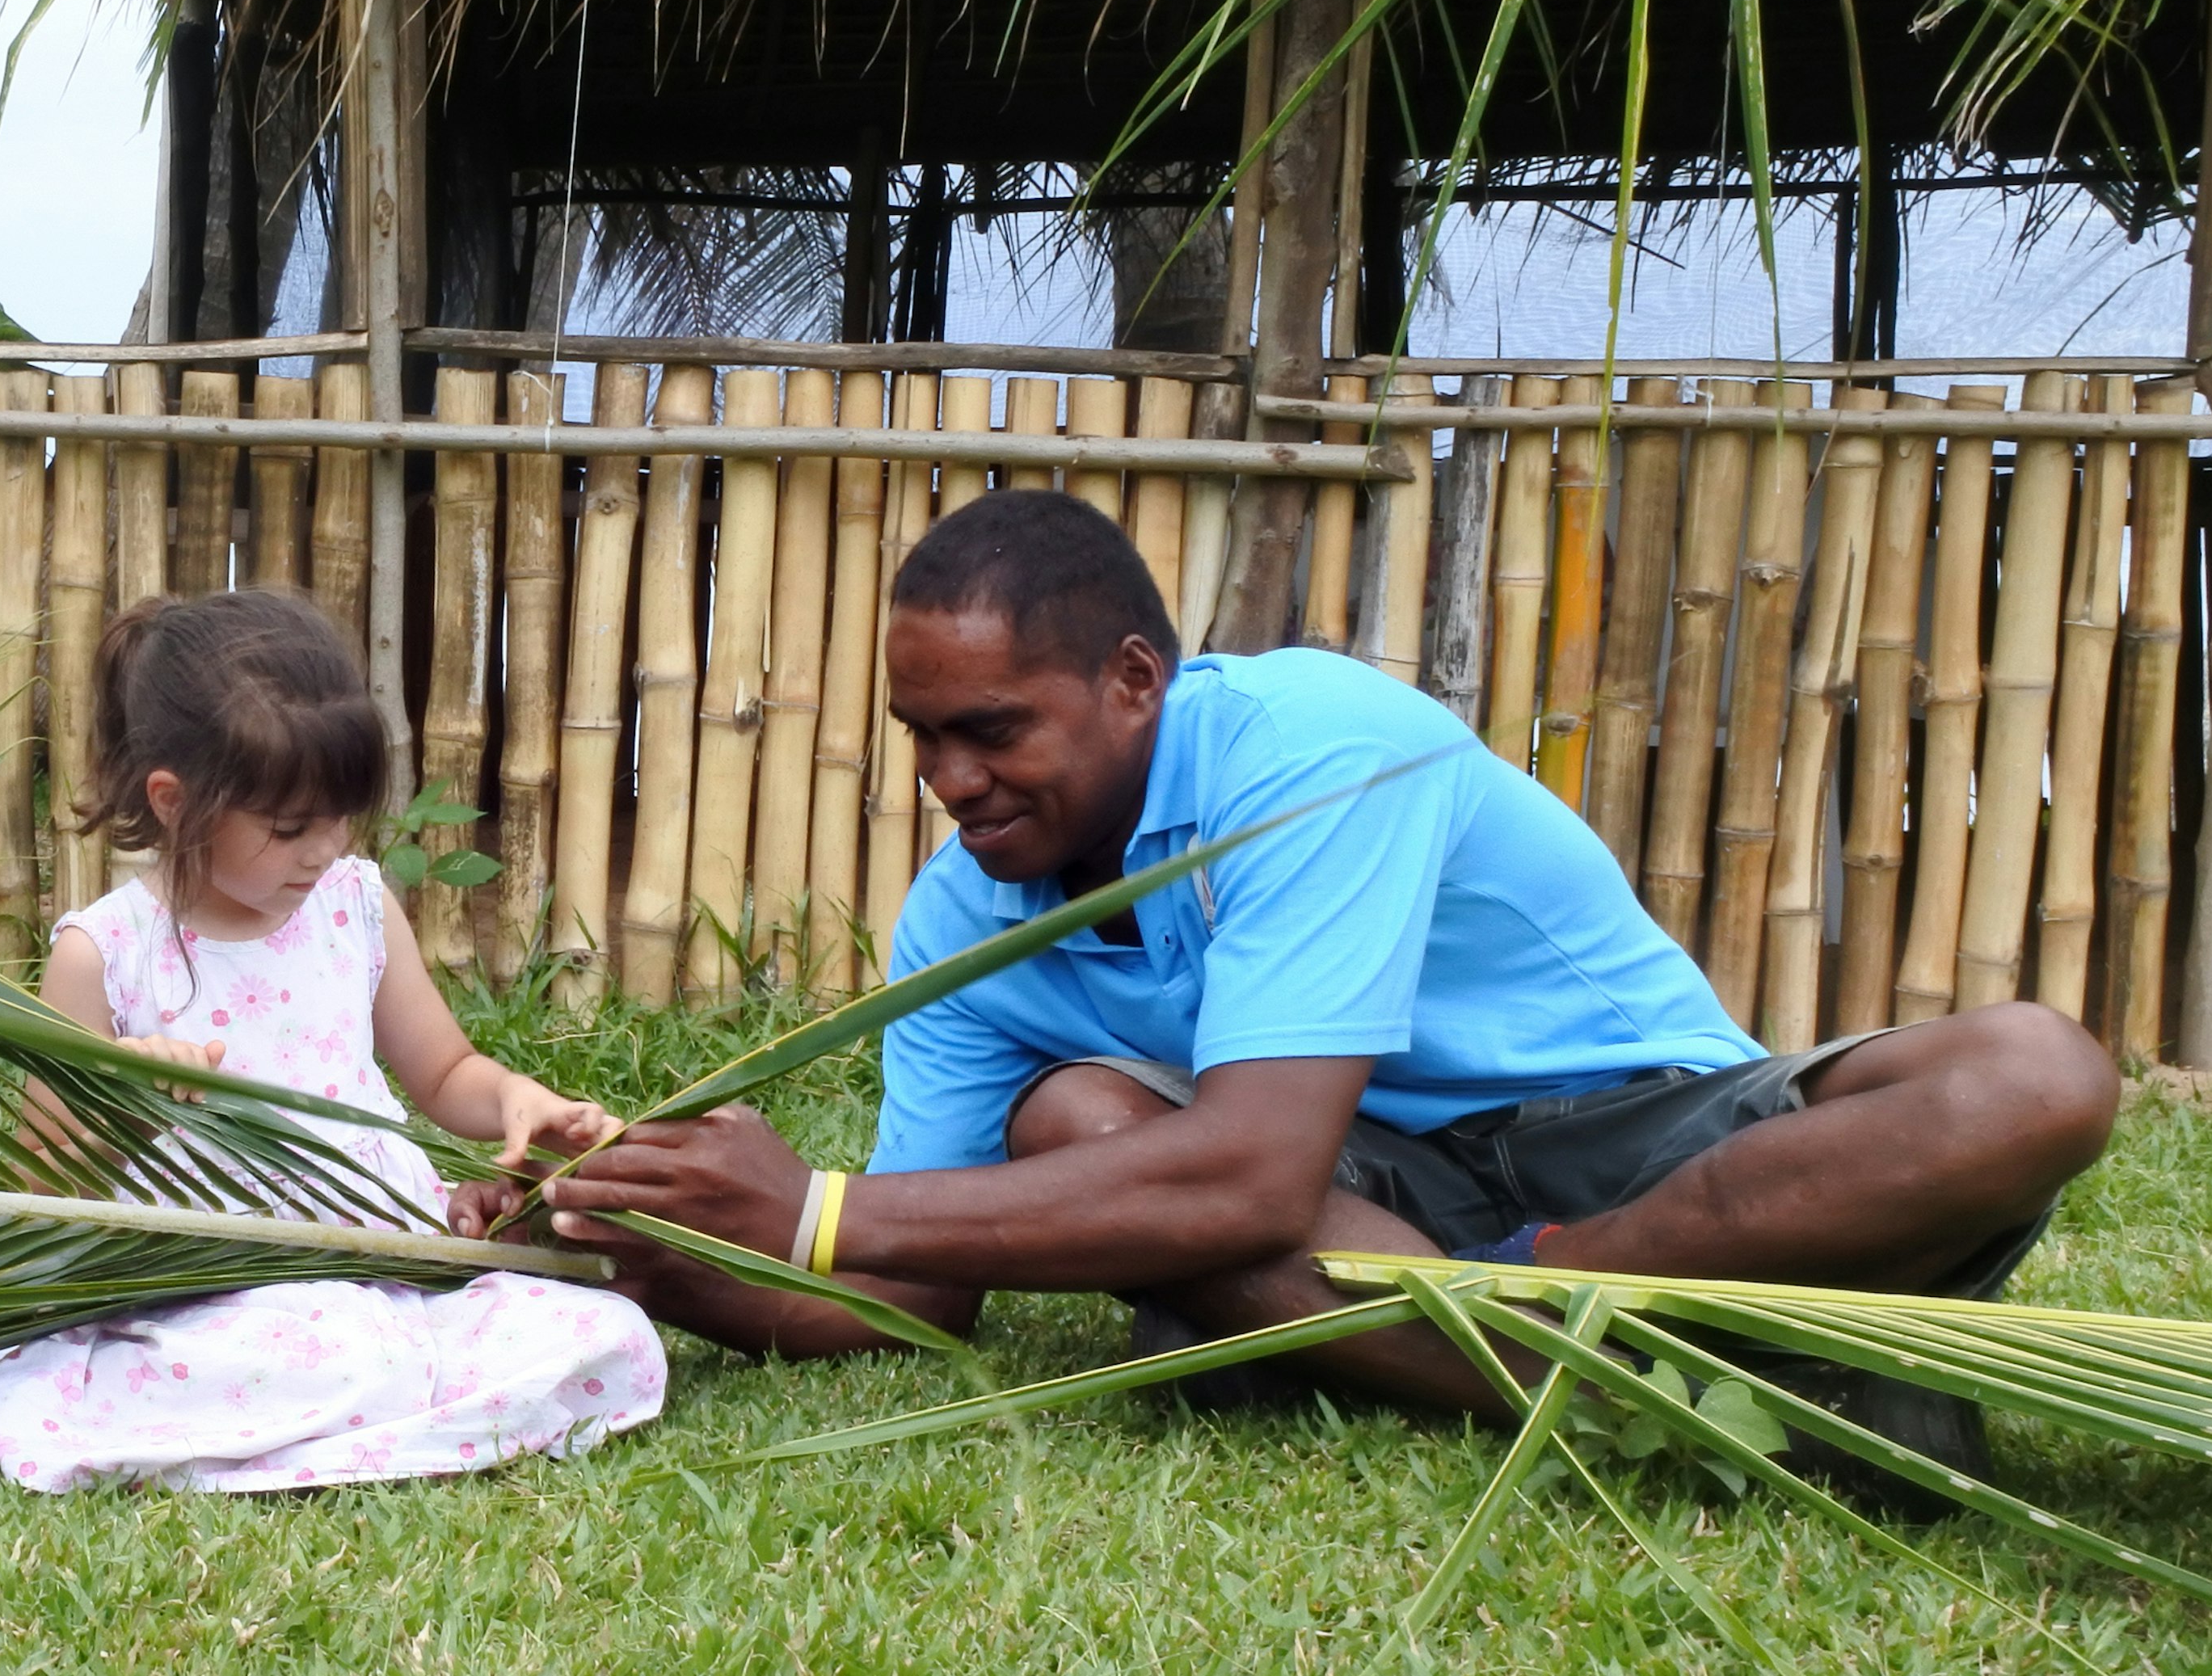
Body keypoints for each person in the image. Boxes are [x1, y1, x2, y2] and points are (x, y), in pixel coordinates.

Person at [540, 488, 2117, 1453]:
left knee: (2033, 1075)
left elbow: (1243, 1182)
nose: (949, 777)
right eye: (923, 737)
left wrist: (813, 1202)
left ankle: (1545, 1334)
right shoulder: (961, 919)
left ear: (1134, 680)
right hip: (1379, 1207)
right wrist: (670, 1248)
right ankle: (1660, 1369)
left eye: (992, 728)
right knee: (1076, 1121)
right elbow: (921, 1290)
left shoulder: (1309, 748)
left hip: (1636, 1131)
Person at [0, 590, 664, 1491]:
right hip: (207, 1295)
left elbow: (446, 1071)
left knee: (610, 1335)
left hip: (388, 1267)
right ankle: (6, 1395)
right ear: (175, 802)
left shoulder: (357, 907)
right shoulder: (107, 955)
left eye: (340, 819)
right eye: (291, 828)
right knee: (327, 1357)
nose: (323, 849)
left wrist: (517, 1098)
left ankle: (355, 1402)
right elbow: (44, 1181)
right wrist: (123, 1099)